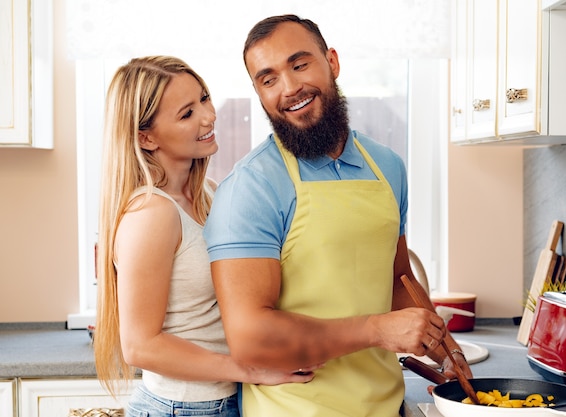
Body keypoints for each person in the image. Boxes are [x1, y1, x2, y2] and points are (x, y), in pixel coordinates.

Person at [203, 15, 473, 417]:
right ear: (258, 93)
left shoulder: (387, 167)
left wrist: (441, 346)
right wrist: (376, 331)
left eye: (299, 65)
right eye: (269, 79)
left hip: (385, 405)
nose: (290, 88)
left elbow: (398, 279)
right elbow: (250, 338)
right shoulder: (250, 187)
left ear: (332, 61)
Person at [94, 55, 315, 417]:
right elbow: (140, 346)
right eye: (186, 114)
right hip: (182, 407)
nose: (208, 115)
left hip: (219, 400)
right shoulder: (152, 214)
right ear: (145, 137)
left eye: (204, 98)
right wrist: (251, 371)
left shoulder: (209, 193)